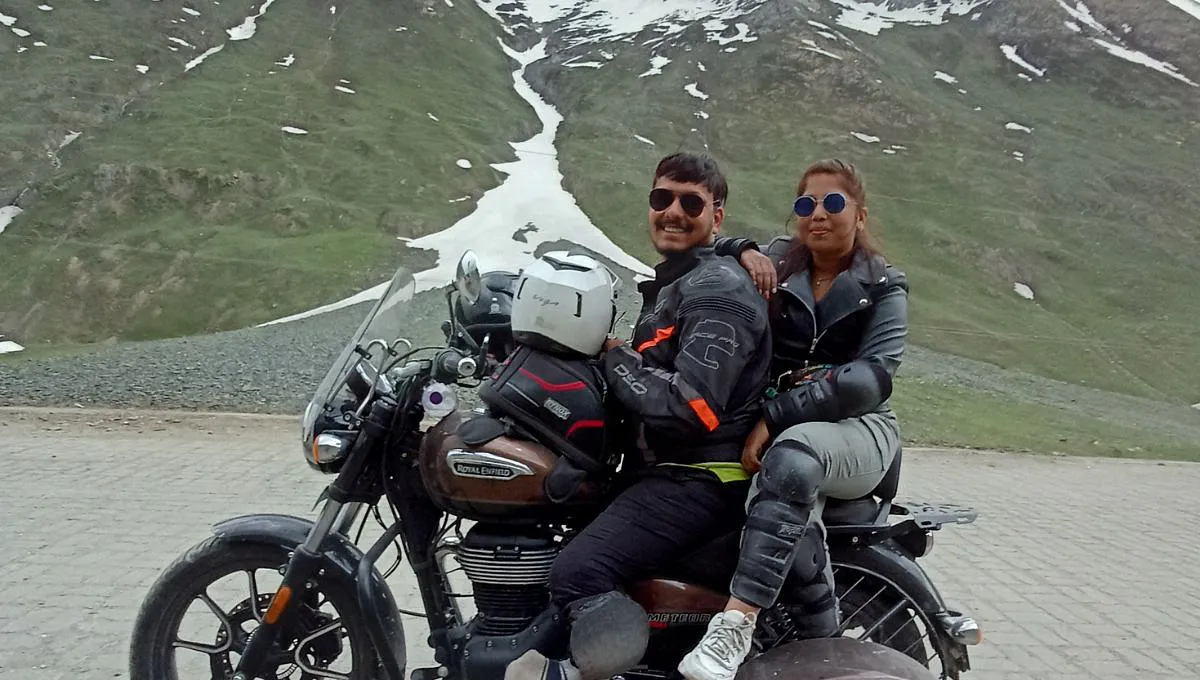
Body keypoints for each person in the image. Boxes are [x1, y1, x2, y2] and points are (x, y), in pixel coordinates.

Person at [505, 152, 774, 680]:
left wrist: (613, 356)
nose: (672, 211)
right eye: (661, 198)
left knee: (579, 572)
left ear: (716, 215)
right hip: (664, 472)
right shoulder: (681, 280)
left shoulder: (718, 289)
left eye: (690, 202)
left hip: (700, 477)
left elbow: (690, 406)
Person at [677, 158, 909, 680]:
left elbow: (867, 380)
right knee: (784, 500)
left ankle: (734, 626)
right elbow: (708, 250)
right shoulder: (780, 263)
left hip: (860, 430)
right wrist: (742, 249)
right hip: (791, 430)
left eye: (833, 203)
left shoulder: (885, 285)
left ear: (861, 215)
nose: (817, 215)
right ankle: (822, 646)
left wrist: (776, 415)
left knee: (791, 457)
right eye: (806, 204)